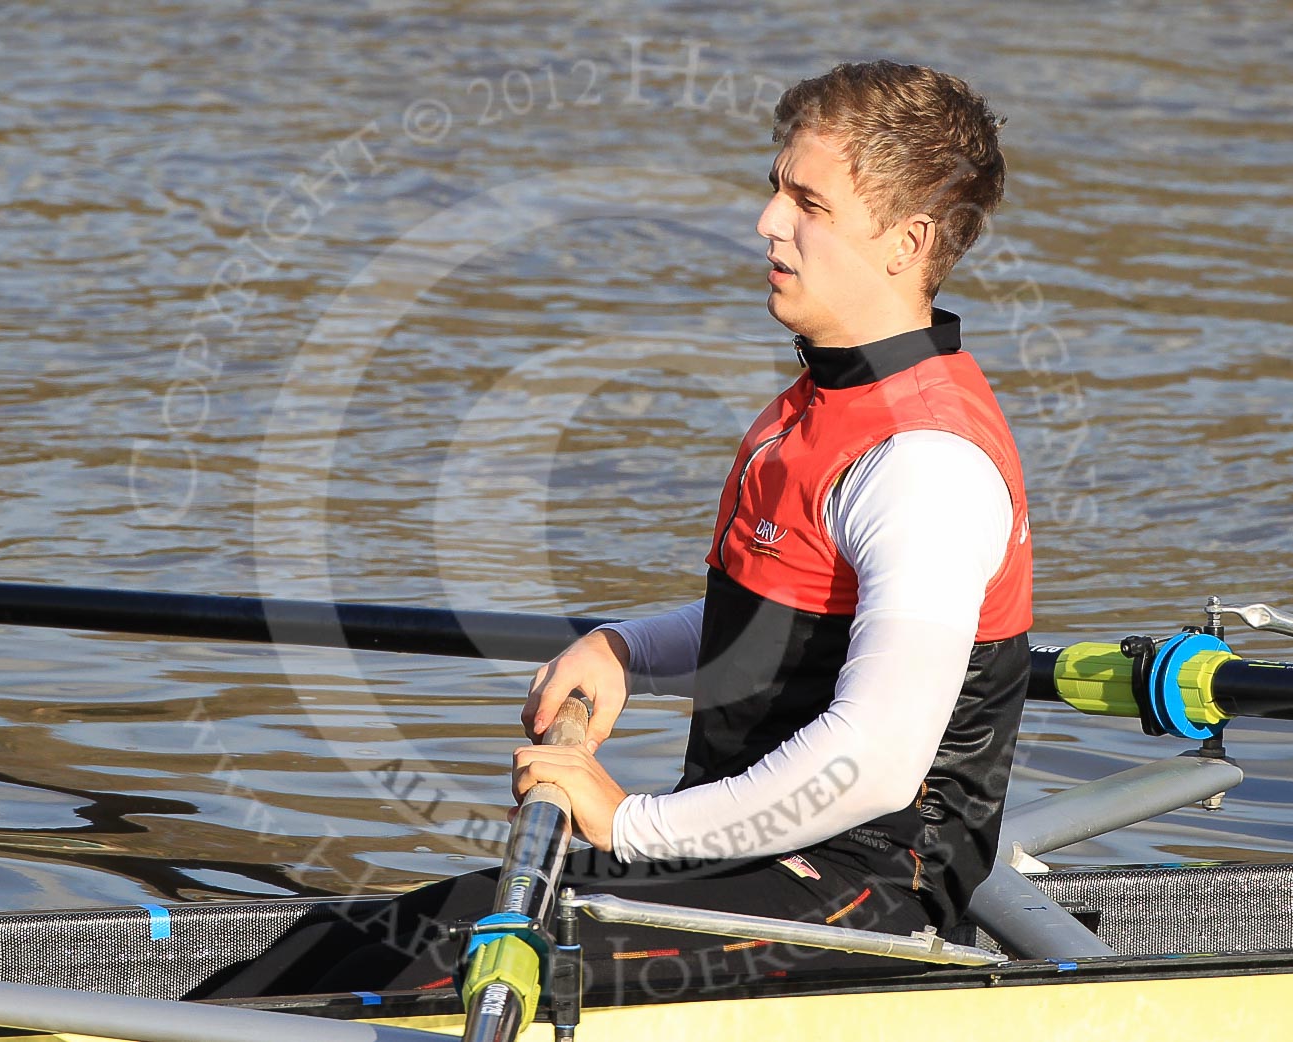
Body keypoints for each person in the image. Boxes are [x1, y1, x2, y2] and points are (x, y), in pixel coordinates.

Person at [194, 59, 1032, 1002]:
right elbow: (787, 620)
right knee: (328, 946)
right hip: (749, 856)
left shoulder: (926, 463)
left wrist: (628, 824)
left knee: (426, 981)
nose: (766, 223)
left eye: (808, 202)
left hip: (862, 895)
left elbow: (873, 764)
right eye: (774, 191)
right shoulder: (822, 407)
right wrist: (624, 650)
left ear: (904, 241)